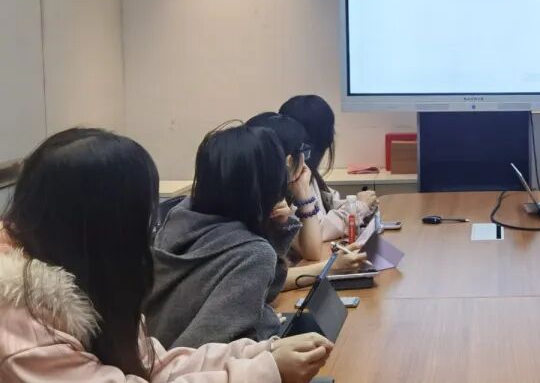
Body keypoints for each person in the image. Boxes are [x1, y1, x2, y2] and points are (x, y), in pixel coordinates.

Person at [0, 128, 332, 382]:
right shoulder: (23, 329)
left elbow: (155, 365)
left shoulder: (77, 282)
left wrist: (264, 351)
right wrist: (264, 370)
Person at [146, 123, 304, 348]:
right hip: (189, 363)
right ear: (271, 183)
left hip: (153, 354)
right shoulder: (253, 254)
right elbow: (203, 346)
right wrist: (267, 338)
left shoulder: (180, 216)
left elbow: (263, 291)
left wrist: (273, 229)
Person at [246, 112, 367, 290]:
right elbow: (267, 281)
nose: (305, 160)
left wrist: (303, 192)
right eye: (303, 152)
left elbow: (311, 252)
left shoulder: (277, 196)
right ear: (289, 161)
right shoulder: (258, 201)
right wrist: (331, 267)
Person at [278, 95, 375, 243]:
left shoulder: (306, 171)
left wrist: (358, 204)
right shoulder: (288, 180)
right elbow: (315, 231)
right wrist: (359, 207)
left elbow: (327, 203)